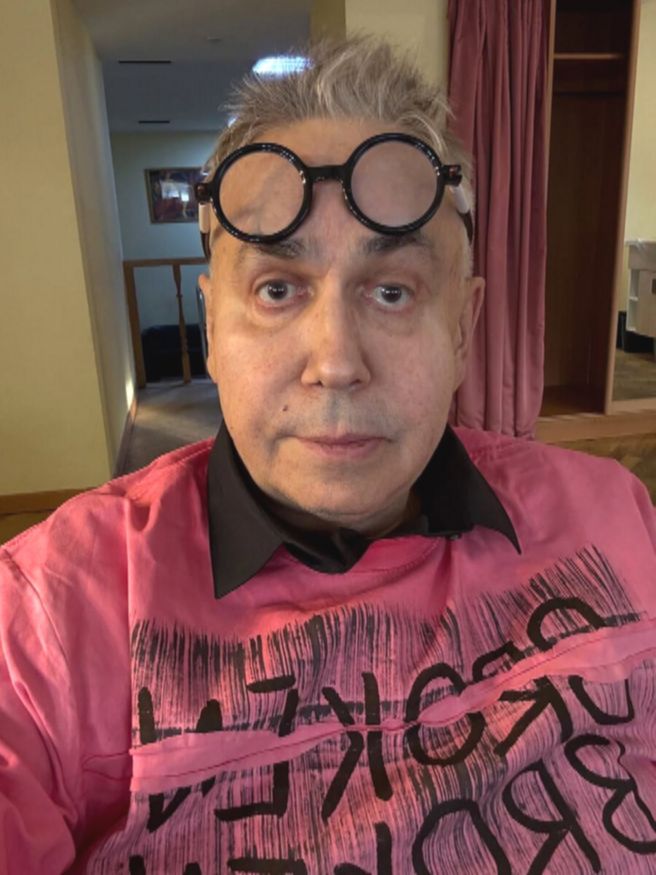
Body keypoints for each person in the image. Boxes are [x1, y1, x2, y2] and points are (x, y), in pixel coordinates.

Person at [1, 34, 655, 875]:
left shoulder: (615, 515)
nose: (337, 361)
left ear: (463, 328)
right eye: (278, 289)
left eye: (393, 291)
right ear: (211, 327)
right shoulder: (54, 612)